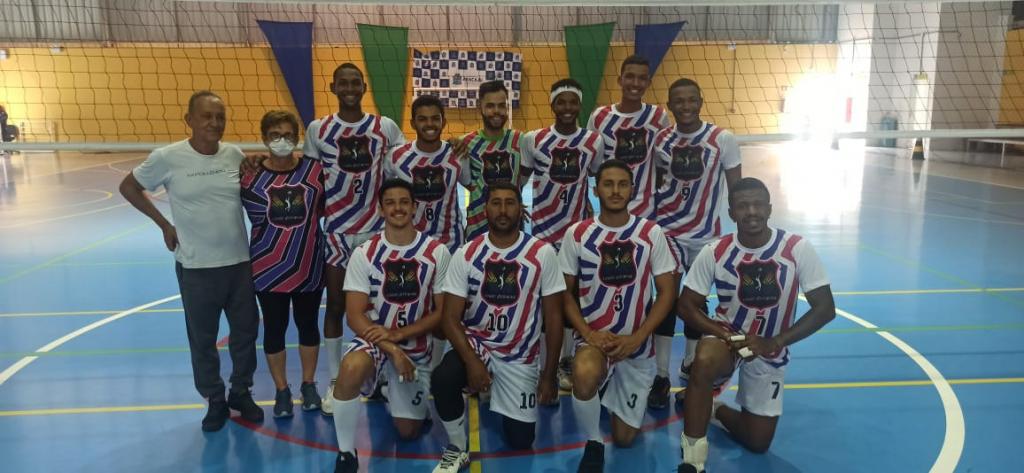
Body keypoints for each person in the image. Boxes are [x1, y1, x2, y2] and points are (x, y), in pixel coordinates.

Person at [118, 90, 263, 431]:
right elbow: (128, 187)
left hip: (239, 264)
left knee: (245, 334)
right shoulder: (167, 157)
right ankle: (215, 399)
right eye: (206, 116)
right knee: (203, 339)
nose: (214, 123)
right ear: (189, 120)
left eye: (220, 117)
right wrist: (164, 225)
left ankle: (240, 391)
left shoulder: (234, 155)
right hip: (197, 267)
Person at [676, 177, 835, 473]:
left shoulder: (796, 249)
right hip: (728, 339)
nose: (751, 211)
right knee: (705, 359)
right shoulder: (716, 251)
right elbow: (685, 305)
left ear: (770, 209)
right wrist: (721, 332)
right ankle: (692, 460)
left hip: (770, 346)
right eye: (743, 206)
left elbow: (825, 308)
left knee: (757, 441)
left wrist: (774, 342)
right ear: (731, 212)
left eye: (758, 204)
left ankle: (714, 408)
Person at [430, 183, 565, 473]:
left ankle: (493, 388)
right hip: (478, 344)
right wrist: (472, 363)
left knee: (521, 441)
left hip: (519, 356)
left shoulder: (542, 253)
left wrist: (549, 374)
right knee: (443, 378)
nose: (503, 210)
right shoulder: (467, 254)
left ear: (521, 209)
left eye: (510, 203)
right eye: (496, 203)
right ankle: (457, 447)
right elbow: (449, 319)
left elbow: (554, 317)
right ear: (486, 209)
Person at [559, 160, 677, 472]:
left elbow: (667, 292)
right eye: (608, 184)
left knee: (625, 439)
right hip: (594, 341)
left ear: (632, 190)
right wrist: (588, 333)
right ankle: (593, 442)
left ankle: (608, 388)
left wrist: (638, 338)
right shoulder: (578, 234)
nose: (615, 191)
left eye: (622, 184)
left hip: (636, 345)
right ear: (596, 189)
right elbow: (564, 293)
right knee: (584, 372)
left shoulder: (650, 233)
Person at [303, 63, 406, 413]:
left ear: (364, 87)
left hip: (375, 233)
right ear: (333, 87)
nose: (349, 88)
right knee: (335, 305)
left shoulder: (384, 127)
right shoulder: (319, 129)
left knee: (379, 308)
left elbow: (407, 162)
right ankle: (335, 379)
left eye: (355, 83)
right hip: (336, 232)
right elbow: (309, 178)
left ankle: (380, 376)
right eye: (342, 83)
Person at [331, 179, 451, 473]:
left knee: (408, 432)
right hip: (375, 340)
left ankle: (388, 388)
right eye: (390, 203)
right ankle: (346, 453)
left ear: (414, 207)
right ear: (381, 209)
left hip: (414, 344)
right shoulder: (365, 253)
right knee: (350, 368)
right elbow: (354, 316)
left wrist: (400, 336)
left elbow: (442, 313)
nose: (398, 208)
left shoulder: (436, 252)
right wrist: (393, 349)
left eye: (404, 202)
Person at [587, 54, 674, 409]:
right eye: (630, 77)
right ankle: (602, 360)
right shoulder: (600, 117)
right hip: (609, 220)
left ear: (647, 82)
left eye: (642, 78)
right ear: (620, 79)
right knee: (607, 287)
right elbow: (594, 164)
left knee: (659, 292)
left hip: (647, 220)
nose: (636, 83)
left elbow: (664, 164)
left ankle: (661, 374)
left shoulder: (658, 117)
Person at [651, 78, 742, 406]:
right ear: (670, 105)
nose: (686, 106)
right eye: (679, 101)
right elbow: (659, 183)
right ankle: (661, 374)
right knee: (666, 299)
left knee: (695, 302)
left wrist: (741, 233)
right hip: (670, 231)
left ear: (701, 101)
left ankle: (690, 363)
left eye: (691, 99)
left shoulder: (722, 139)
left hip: (707, 235)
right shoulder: (662, 140)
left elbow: (737, 187)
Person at [520, 78, 606, 391]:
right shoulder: (534, 139)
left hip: (578, 235)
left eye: (573, 102)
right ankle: (546, 363)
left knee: (573, 300)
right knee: (546, 302)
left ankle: (566, 361)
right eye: (561, 102)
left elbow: (596, 176)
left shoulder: (593, 141)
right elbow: (521, 178)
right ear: (552, 105)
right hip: (543, 234)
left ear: (579, 105)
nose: (567, 108)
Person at [240, 110, 326, 417]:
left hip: (308, 265)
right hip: (268, 268)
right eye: (275, 135)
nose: (282, 141)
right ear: (264, 139)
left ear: (298, 137)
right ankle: (281, 390)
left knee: (308, 326)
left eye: (288, 135)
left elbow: (326, 208)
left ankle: (308, 384)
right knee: (274, 329)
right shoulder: (249, 176)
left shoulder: (315, 171)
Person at [386, 94, 464, 253]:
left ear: (443, 122)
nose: (429, 124)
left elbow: (472, 185)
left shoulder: (457, 154)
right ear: (413, 123)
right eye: (422, 119)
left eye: (435, 118)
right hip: (411, 244)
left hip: (451, 243)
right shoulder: (396, 156)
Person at [458, 80, 529, 242]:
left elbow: (528, 173)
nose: (496, 111)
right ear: (480, 108)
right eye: (490, 106)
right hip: (478, 228)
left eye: (501, 105)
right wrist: (450, 142)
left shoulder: (520, 140)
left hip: (512, 226)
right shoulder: (465, 143)